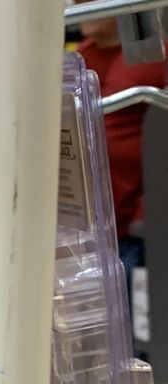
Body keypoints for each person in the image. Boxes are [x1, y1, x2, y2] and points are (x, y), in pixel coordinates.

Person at [78, 16, 166, 291]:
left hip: (135, 228)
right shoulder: (82, 55)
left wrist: (145, 212)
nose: (84, 8)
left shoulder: (155, 55)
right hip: (90, 223)